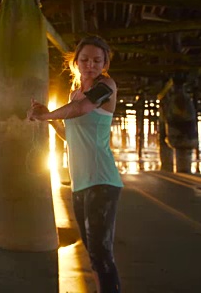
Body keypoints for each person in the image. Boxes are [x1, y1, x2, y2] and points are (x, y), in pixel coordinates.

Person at [27, 36, 123, 293]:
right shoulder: (73, 94)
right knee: (93, 251)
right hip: (80, 182)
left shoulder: (107, 87)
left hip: (103, 179)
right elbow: (70, 135)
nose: (90, 64)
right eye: (85, 59)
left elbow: (83, 107)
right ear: (76, 62)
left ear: (104, 63)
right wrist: (50, 118)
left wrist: (46, 114)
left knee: (102, 254)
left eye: (96, 60)